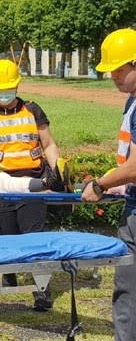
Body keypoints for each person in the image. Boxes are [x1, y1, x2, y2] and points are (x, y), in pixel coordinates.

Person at [0, 58, 69, 311]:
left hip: (34, 184)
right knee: (5, 237)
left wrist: (59, 172)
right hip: (2, 186)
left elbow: (49, 144)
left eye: (7, 88)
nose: (3, 94)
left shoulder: (33, 110)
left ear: (17, 86)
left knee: (34, 237)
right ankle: (6, 278)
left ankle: (41, 290)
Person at [81, 28, 136, 341]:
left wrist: (101, 185)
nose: (112, 75)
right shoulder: (131, 100)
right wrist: (121, 184)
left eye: (118, 69)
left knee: (128, 289)